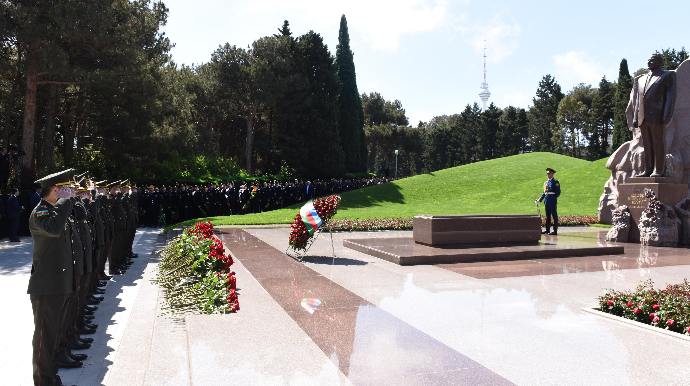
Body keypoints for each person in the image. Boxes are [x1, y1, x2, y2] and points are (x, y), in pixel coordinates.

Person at [28, 169, 77, 386]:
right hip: (47, 284)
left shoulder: (54, 210)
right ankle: (42, 381)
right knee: (44, 339)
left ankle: (52, 376)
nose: (69, 194)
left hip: (59, 281)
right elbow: (54, 230)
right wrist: (65, 202)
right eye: (65, 190)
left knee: (55, 333)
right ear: (56, 190)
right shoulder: (41, 212)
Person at [632, 52, 676, 177]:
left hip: (658, 115)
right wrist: (636, 116)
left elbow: (670, 96)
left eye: (652, 60)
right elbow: (637, 100)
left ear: (660, 62)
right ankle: (648, 169)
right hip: (643, 117)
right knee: (647, 145)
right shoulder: (641, 79)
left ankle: (659, 170)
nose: (649, 62)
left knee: (658, 143)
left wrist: (667, 114)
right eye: (648, 60)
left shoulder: (668, 75)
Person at [536, 168, 561, 235]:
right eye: (547, 173)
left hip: (552, 200)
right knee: (547, 216)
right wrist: (539, 200)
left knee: (554, 215)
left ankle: (555, 231)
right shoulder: (546, 183)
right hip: (546, 201)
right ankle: (547, 230)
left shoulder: (555, 182)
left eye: (549, 173)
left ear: (552, 174)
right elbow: (544, 192)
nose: (548, 175)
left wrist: (554, 198)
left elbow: (558, 192)